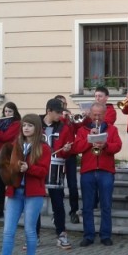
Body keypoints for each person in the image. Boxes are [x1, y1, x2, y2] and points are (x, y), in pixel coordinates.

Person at [0, 114, 51, 255]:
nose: (26, 128)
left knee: (30, 230)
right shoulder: (16, 145)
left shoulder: (43, 148)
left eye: (30, 125)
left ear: (37, 128)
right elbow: (6, 165)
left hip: (33, 194)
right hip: (15, 192)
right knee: (8, 231)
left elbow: (43, 172)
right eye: (24, 125)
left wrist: (28, 168)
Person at [72, 102, 123, 247]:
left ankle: (105, 235)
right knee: (87, 206)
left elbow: (118, 146)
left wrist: (105, 145)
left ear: (105, 114)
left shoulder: (112, 130)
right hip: (88, 171)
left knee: (106, 205)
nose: (97, 117)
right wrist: (89, 139)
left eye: (100, 114)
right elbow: (76, 148)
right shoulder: (83, 130)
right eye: (94, 114)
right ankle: (88, 235)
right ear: (90, 114)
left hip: (106, 171)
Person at [40, 98, 74, 250]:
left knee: (58, 203)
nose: (61, 115)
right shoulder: (35, 124)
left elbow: (69, 150)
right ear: (49, 111)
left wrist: (67, 150)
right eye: (58, 112)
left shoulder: (64, 127)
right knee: (34, 204)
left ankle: (61, 234)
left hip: (57, 168)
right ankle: (34, 236)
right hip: (38, 168)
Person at [0, 102, 21, 219]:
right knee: (0, 183)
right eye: (6, 111)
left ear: (14, 112)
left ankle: (14, 209)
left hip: (7, 157)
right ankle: (0, 209)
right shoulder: (0, 122)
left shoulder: (16, 124)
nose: (7, 113)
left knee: (9, 181)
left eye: (10, 111)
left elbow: (4, 137)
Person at [55, 95, 81, 224]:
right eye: (60, 104)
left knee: (72, 185)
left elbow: (78, 129)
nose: (63, 106)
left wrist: (73, 120)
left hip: (70, 154)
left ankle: (74, 211)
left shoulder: (68, 118)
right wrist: (62, 118)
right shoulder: (55, 119)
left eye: (64, 104)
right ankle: (58, 213)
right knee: (58, 185)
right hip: (58, 155)